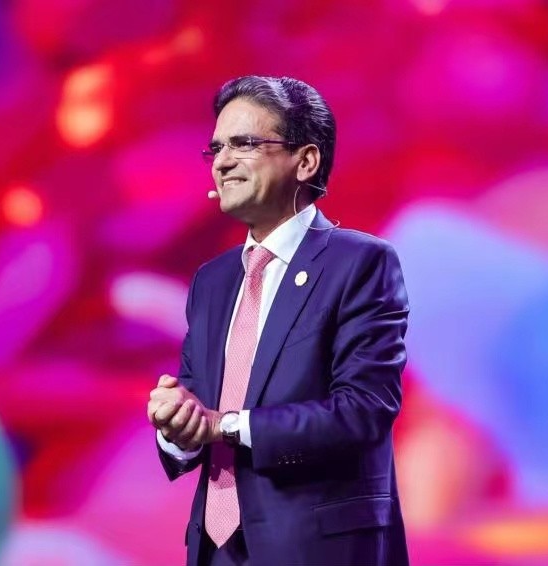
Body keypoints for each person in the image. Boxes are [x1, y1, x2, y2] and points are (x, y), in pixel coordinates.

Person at [147, 75, 410, 566]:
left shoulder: (359, 263)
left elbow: (363, 411)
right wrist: (176, 424)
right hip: (215, 551)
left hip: (317, 550)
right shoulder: (212, 281)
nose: (222, 162)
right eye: (216, 149)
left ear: (305, 161)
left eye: (244, 144)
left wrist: (224, 427)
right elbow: (198, 410)